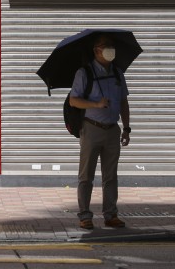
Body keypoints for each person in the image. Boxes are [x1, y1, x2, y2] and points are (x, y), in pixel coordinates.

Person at [68, 35, 131, 230]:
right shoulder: (84, 73)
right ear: (96, 50)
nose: (110, 50)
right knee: (86, 176)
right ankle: (85, 215)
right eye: (106, 47)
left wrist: (127, 128)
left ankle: (111, 214)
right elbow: (73, 100)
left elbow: (123, 102)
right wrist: (96, 104)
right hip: (91, 128)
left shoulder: (118, 73)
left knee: (110, 176)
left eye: (112, 46)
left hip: (112, 129)